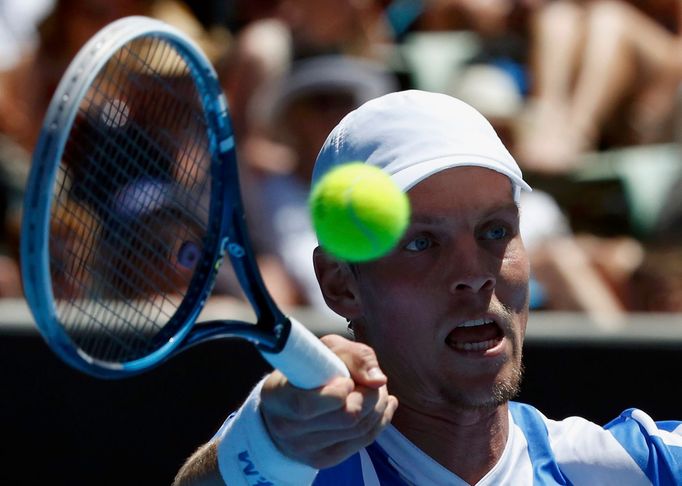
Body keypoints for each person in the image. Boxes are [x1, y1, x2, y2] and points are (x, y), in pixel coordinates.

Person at [173, 90, 682, 485]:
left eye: (496, 231)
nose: (475, 272)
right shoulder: (299, 473)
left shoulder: (629, 466)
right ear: (340, 284)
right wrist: (267, 442)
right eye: (422, 243)